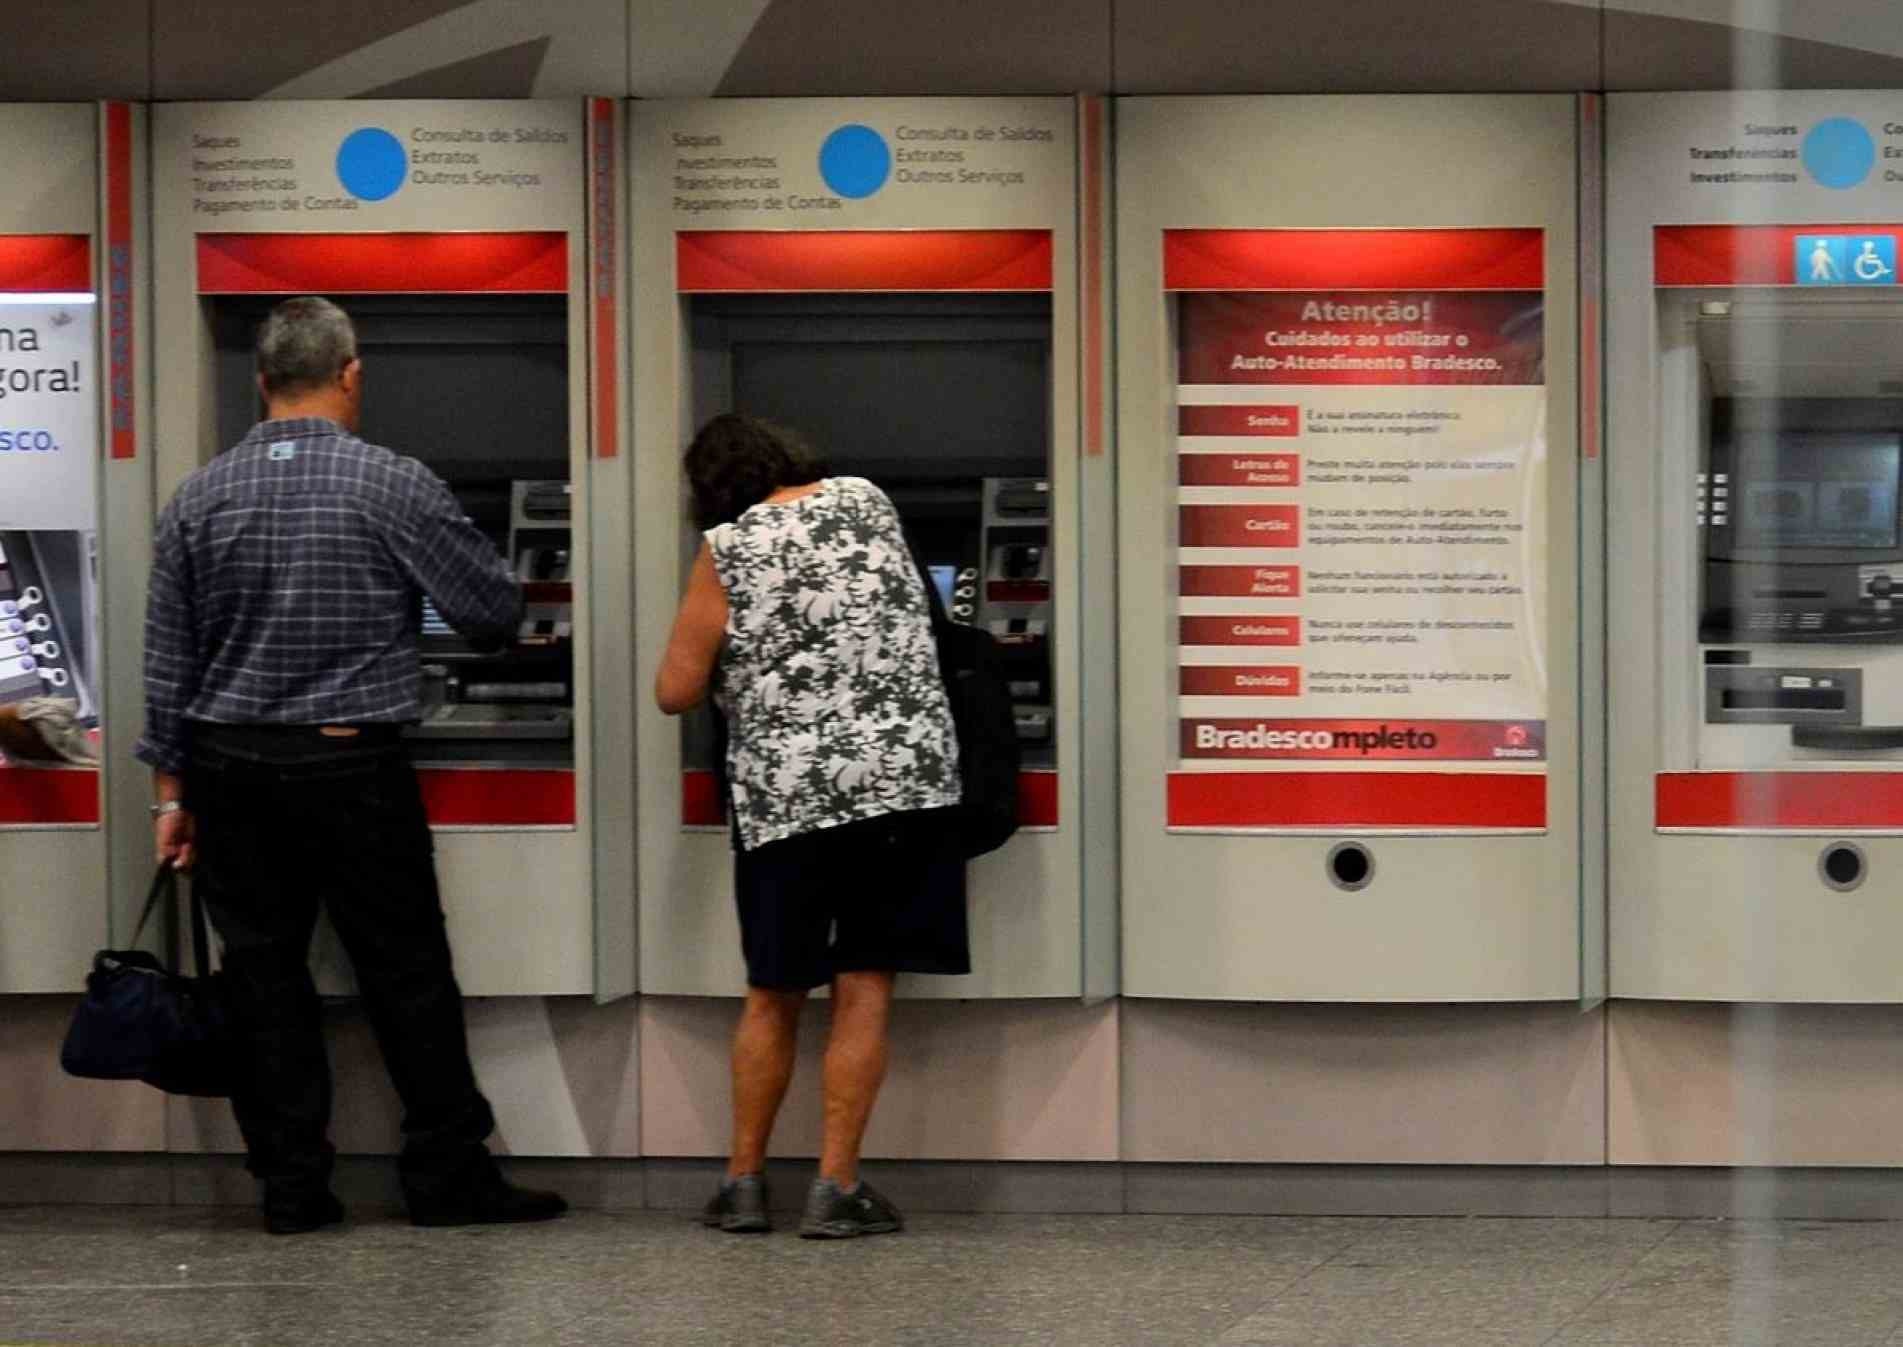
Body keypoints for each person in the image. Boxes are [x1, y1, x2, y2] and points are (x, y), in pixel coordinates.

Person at [136, 296, 567, 1235]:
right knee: (406, 973)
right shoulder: (391, 483)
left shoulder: (197, 497)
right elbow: (492, 613)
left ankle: (292, 1187)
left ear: (261, 383)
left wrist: (170, 797)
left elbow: (167, 662)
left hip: (228, 768)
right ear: (350, 373)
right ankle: (446, 1177)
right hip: (349, 764)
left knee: (263, 979)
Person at [656, 413, 967, 1239]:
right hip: (899, 784)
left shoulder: (726, 547)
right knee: (863, 984)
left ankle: (743, 1184)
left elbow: (674, 689)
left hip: (787, 797)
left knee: (774, 990)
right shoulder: (867, 499)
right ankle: (835, 1188)